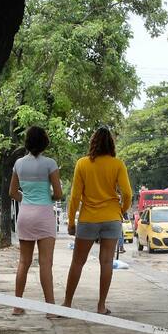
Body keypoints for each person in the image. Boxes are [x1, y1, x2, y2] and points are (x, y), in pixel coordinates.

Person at [63, 127, 132, 315]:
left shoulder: (82, 164)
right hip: (112, 218)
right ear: (111, 144)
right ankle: (101, 306)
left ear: (92, 143)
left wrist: (71, 221)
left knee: (78, 262)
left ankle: (67, 304)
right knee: (107, 262)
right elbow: (127, 193)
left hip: (88, 219)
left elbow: (75, 196)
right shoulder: (117, 164)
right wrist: (121, 210)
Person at [9, 127, 64, 317]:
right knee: (45, 263)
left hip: (25, 215)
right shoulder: (50, 164)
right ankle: (50, 309)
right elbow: (58, 194)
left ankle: (17, 306)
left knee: (24, 262)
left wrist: (26, 198)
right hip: (44, 215)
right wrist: (47, 197)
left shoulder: (18, 164)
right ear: (44, 143)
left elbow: (12, 192)